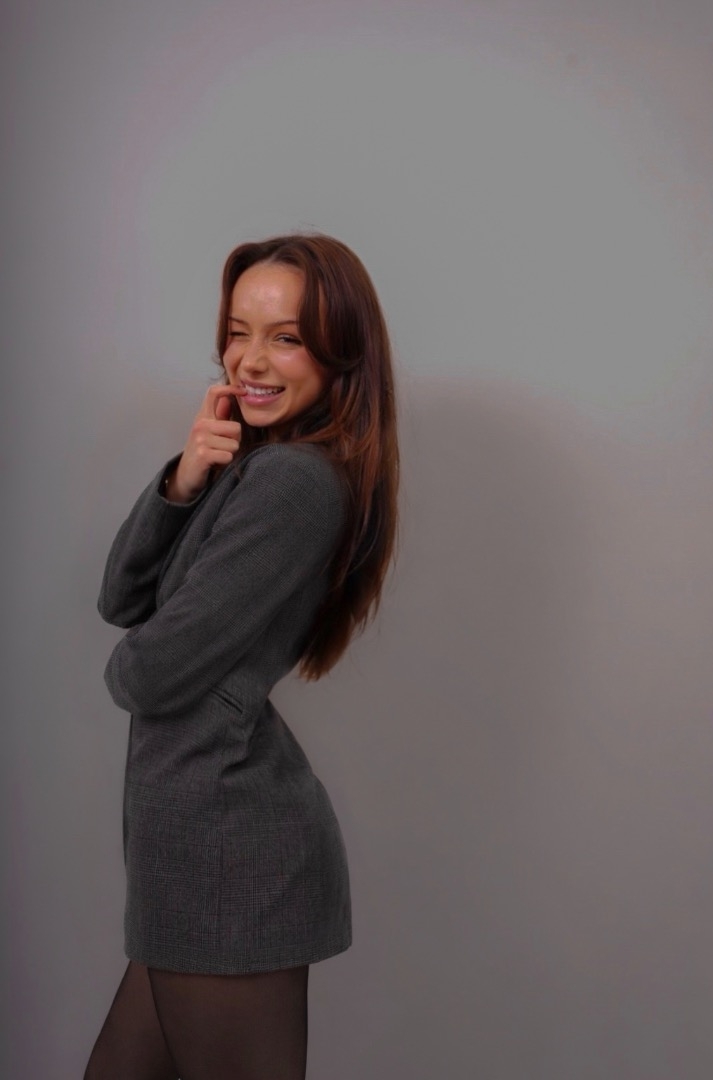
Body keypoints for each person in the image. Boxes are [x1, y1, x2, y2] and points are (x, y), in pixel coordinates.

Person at [84, 233, 399, 1080]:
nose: (249, 361)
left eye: (286, 338)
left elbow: (145, 671)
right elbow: (119, 598)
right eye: (237, 331)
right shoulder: (252, 468)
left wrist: (135, 661)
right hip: (192, 855)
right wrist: (185, 479)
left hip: (228, 858)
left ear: (340, 354)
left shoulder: (295, 481)